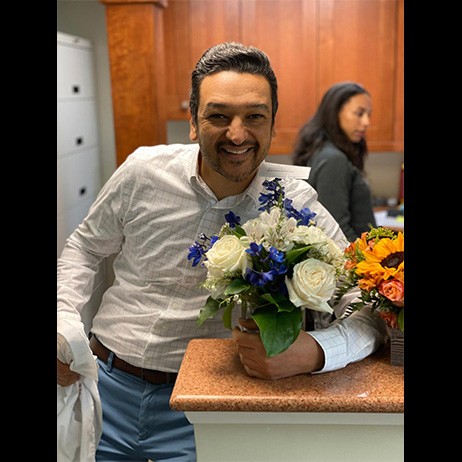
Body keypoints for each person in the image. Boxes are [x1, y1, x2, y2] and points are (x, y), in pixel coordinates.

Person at [57, 43, 386, 461]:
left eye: (254, 117)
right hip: (103, 389)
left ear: (272, 125)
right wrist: (63, 321)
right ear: (193, 123)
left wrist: (319, 351)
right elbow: (84, 247)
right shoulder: (142, 172)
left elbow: (369, 303)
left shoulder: (295, 206)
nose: (237, 133)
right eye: (218, 115)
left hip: (209, 409)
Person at [292, 81, 377, 242]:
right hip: (355, 260)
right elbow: (338, 231)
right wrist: (369, 260)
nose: (367, 122)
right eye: (359, 113)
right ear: (335, 113)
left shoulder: (325, 151)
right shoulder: (333, 160)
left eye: (368, 114)